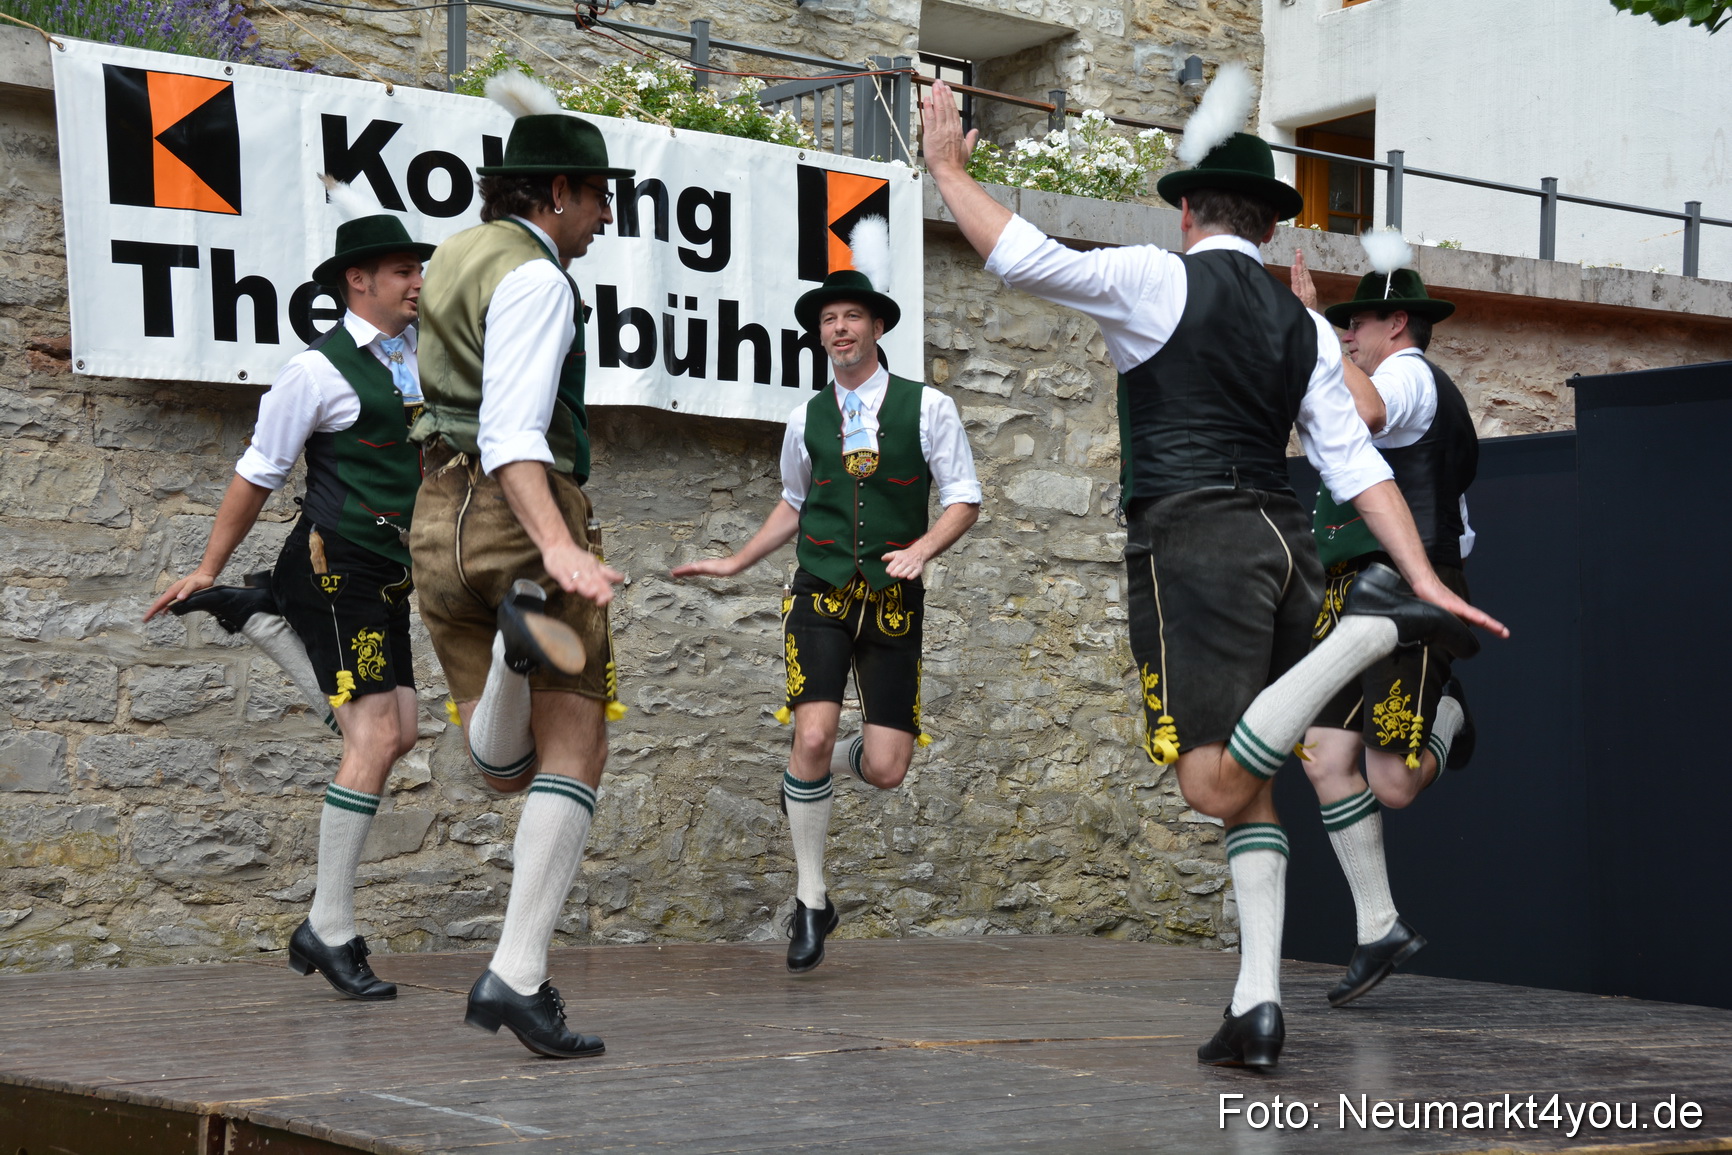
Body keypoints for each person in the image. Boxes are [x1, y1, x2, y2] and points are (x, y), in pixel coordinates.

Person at [919, 69, 1506, 1069]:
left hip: (1194, 537)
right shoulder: (1303, 330)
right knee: (1254, 787)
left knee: (1205, 780)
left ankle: (1369, 635)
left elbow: (1016, 252)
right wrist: (1428, 577)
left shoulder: (1158, 277)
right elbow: (1357, 469)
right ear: (1271, 230)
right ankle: (1256, 1005)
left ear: (1187, 211)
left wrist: (941, 164)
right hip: (1288, 544)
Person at [145, 186, 434, 1002]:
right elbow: (259, 472)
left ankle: (262, 620)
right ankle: (330, 927)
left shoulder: (415, 361)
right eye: (402, 271)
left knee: (400, 730)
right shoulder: (314, 371)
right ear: (357, 283)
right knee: (372, 739)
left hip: (388, 571)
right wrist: (207, 564)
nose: (417, 284)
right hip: (333, 564)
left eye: (417, 270)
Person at [671, 249, 981, 973]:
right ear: (821, 336)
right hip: (818, 591)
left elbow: (964, 496)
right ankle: (810, 899)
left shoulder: (928, 407)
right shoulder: (805, 416)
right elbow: (795, 502)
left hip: (894, 600)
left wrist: (925, 549)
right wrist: (736, 560)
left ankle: (811, 774)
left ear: (877, 326)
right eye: (829, 321)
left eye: (851, 317)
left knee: (885, 766)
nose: (839, 329)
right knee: (809, 734)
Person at [407, 73, 631, 1059]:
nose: (602, 215)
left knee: (508, 771)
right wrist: (559, 548)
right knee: (577, 751)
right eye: (594, 196)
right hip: (514, 515)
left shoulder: (453, 253)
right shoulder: (538, 277)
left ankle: (511, 655)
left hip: (435, 520)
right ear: (550, 195)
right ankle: (519, 973)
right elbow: (512, 431)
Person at [1288, 248, 1478, 1007]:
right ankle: (1380, 925)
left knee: (1392, 784)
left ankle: (1451, 713)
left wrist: (1313, 332)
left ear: (1398, 323)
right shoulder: (1374, 373)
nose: (1350, 335)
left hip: (1407, 587)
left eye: (1358, 322)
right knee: (1324, 756)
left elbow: (1364, 410)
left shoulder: (1408, 376)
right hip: (1351, 590)